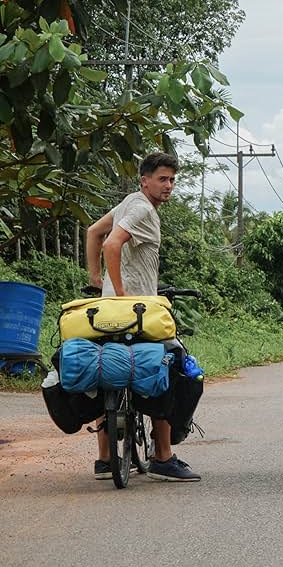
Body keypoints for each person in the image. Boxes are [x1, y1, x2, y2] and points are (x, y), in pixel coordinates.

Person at [85, 152, 200, 482]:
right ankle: (163, 455)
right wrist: (122, 294)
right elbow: (111, 244)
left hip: (107, 310)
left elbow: (94, 231)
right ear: (144, 180)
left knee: (107, 367)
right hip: (137, 310)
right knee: (168, 367)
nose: (169, 186)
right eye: (162, 179)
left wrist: (98, 281)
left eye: (172, 180)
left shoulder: (129, 202)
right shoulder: (141, 208)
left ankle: (106, 459)